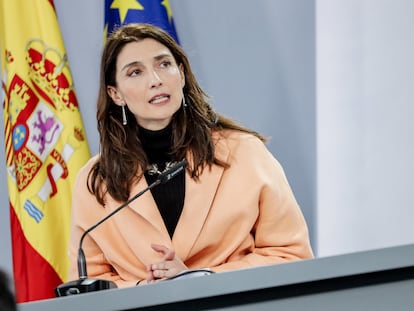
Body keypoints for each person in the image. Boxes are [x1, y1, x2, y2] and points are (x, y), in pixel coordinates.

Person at [68, 23, 313, 287]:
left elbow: (291, 255)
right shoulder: (95, 182)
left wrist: (201, 278)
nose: (156, 79)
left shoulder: (244, 153)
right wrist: (143, 289)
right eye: (136, 72)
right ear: (115, 94)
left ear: (181, 75)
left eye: (164, 64)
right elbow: (89, 285)